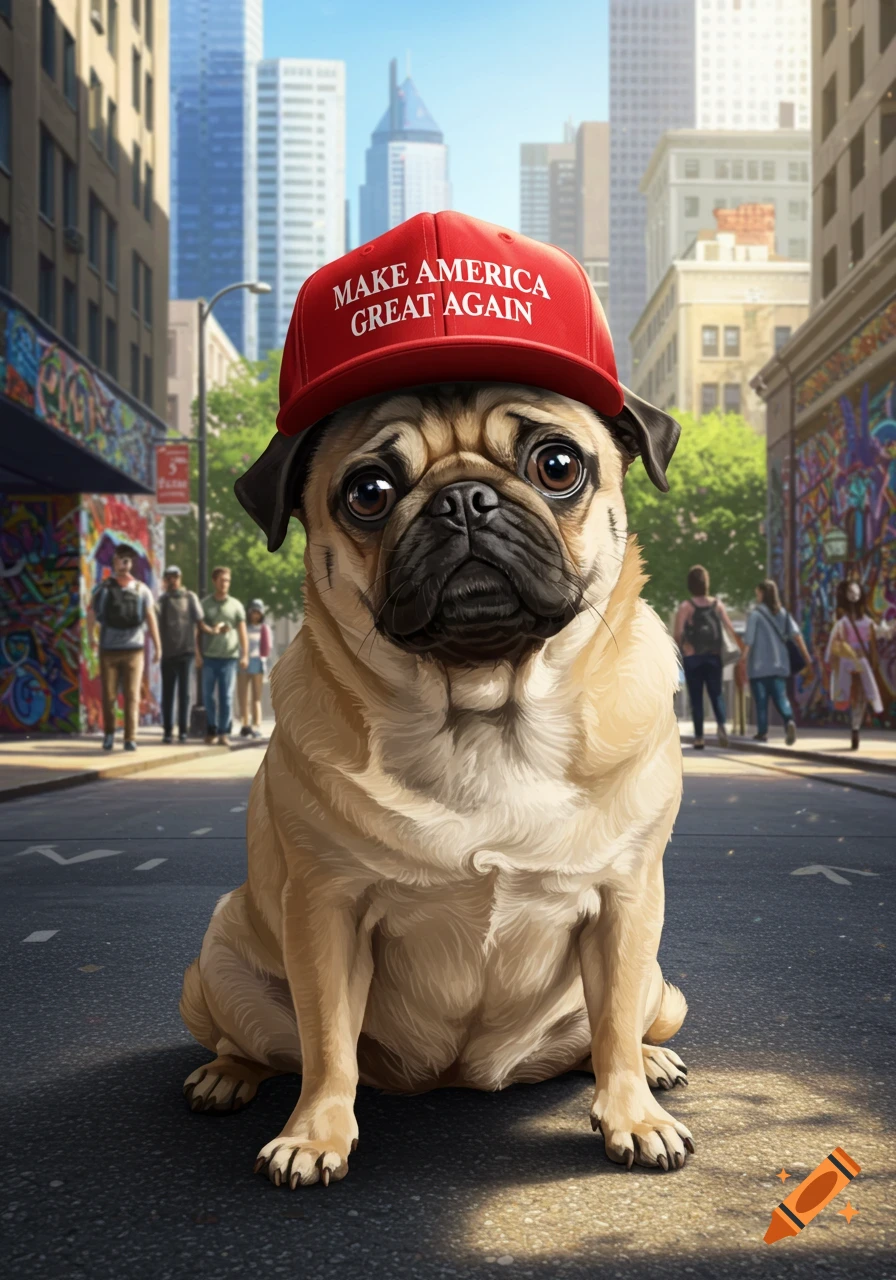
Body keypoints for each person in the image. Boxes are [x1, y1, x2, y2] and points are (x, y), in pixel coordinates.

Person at [87, 544, 160, 752]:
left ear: (131, 563)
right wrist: (91, 637)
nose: (124, 563)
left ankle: (130, 737)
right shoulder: (103, 588)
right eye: (120, 559)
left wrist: (157, 645)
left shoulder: (141, 589)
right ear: (114, 562)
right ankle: (110, 734)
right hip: (108, 649)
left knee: (132, 695)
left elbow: (151, 617)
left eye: (127, 560)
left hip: (134, 650)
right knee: (109, 695)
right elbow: (91, 612)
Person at [673, 564, 740, 750]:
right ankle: (721, 727)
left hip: (693, 658)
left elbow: (678, 633)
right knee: (716, 693)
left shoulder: (686, 606)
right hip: (713, 657)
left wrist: (682, 648)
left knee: (696, 699)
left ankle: (699, 738)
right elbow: (729, 628)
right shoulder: (717, 605)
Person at [825, 578, 895, 750]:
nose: (853, 595)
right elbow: (834, 643)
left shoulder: (867, 621)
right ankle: (854, 719)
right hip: (848, 663)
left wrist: (891, 627)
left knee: (862, 697)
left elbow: (882, 632)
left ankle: (855, 727)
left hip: (862, 662)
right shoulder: (842, 621)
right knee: (852, 693)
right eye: (850, 592)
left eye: (855, 591)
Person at [740, 578, 811, 745]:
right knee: (781, 698)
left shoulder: (755, 615)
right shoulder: (784, 614)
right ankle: (789, 721)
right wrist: (807, 657)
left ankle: (762, 732)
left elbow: (748, 641)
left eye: (758, 593)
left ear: (763, 594)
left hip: (758, 667)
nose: (756, 596)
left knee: (761, 702)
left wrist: (742, 660)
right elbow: (797, 636)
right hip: (780, 665)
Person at [197, 566, 248, 746]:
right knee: (208, 696)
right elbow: (197, 631)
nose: (225, 583)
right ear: (214, 581)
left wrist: (245, 655)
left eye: (227, 580)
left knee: (226, 697)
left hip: (229, 658)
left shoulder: (236, 605)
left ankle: (223, 732)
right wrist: (198, 654)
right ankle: (211, 728)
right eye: (222, 580)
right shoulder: (204, 604)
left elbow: (243, 632)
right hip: (209, 657)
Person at [156, 565, 204, 744]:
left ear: (180, 578)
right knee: (167, 694)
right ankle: (168, 730)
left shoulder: (190, 597)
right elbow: (152, 617)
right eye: (169, 577)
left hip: (186, 652)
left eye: (175, 577)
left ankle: (183, 730)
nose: (172, 580)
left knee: (184, 695)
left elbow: (199, 624)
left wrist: (198, 651)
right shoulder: (162, 600)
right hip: (168, 653)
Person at [237, 599, 273, 738]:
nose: (255, 615)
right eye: (253, 612)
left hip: (257, 663)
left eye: (258, 612)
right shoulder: (244, 626)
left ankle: (256, 725)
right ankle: (245, 725)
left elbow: (267, 647)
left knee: (256, 697)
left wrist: (265, 662)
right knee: (243, 696)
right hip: (243, 663)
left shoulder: (264, 628)